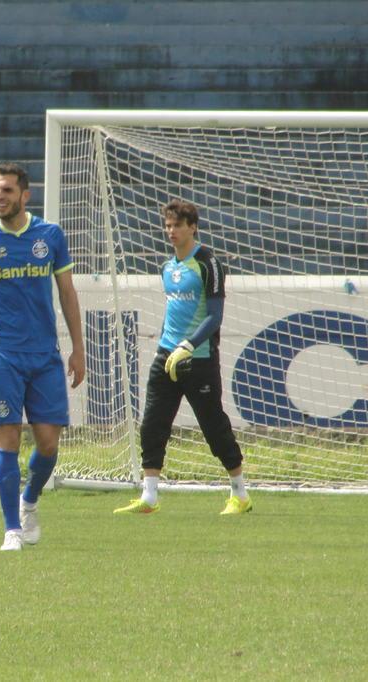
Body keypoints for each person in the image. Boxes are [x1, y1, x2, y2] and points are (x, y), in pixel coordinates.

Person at [0, 162, 86, 551]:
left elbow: (67, 293)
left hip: (45, 355)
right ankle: (11, 529)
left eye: (7, 191)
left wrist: (78, 348)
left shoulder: (49, 235)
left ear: (25, 195)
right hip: (5, 355)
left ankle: (28, 501)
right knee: (8, 438)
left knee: (48, 444)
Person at [114, 199, 252, 516]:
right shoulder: (167, 267)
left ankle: (240, 493)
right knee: (152, 423)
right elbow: (173, 312)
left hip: (198, 358)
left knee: (213, 426)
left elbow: (215, 316)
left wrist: (187, 345)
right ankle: (149, 496)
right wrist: (167, 342)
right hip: (167, 355)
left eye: (177, 225)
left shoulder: (208, 263)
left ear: (192, 227)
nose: (171, 231)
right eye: (168, 225)